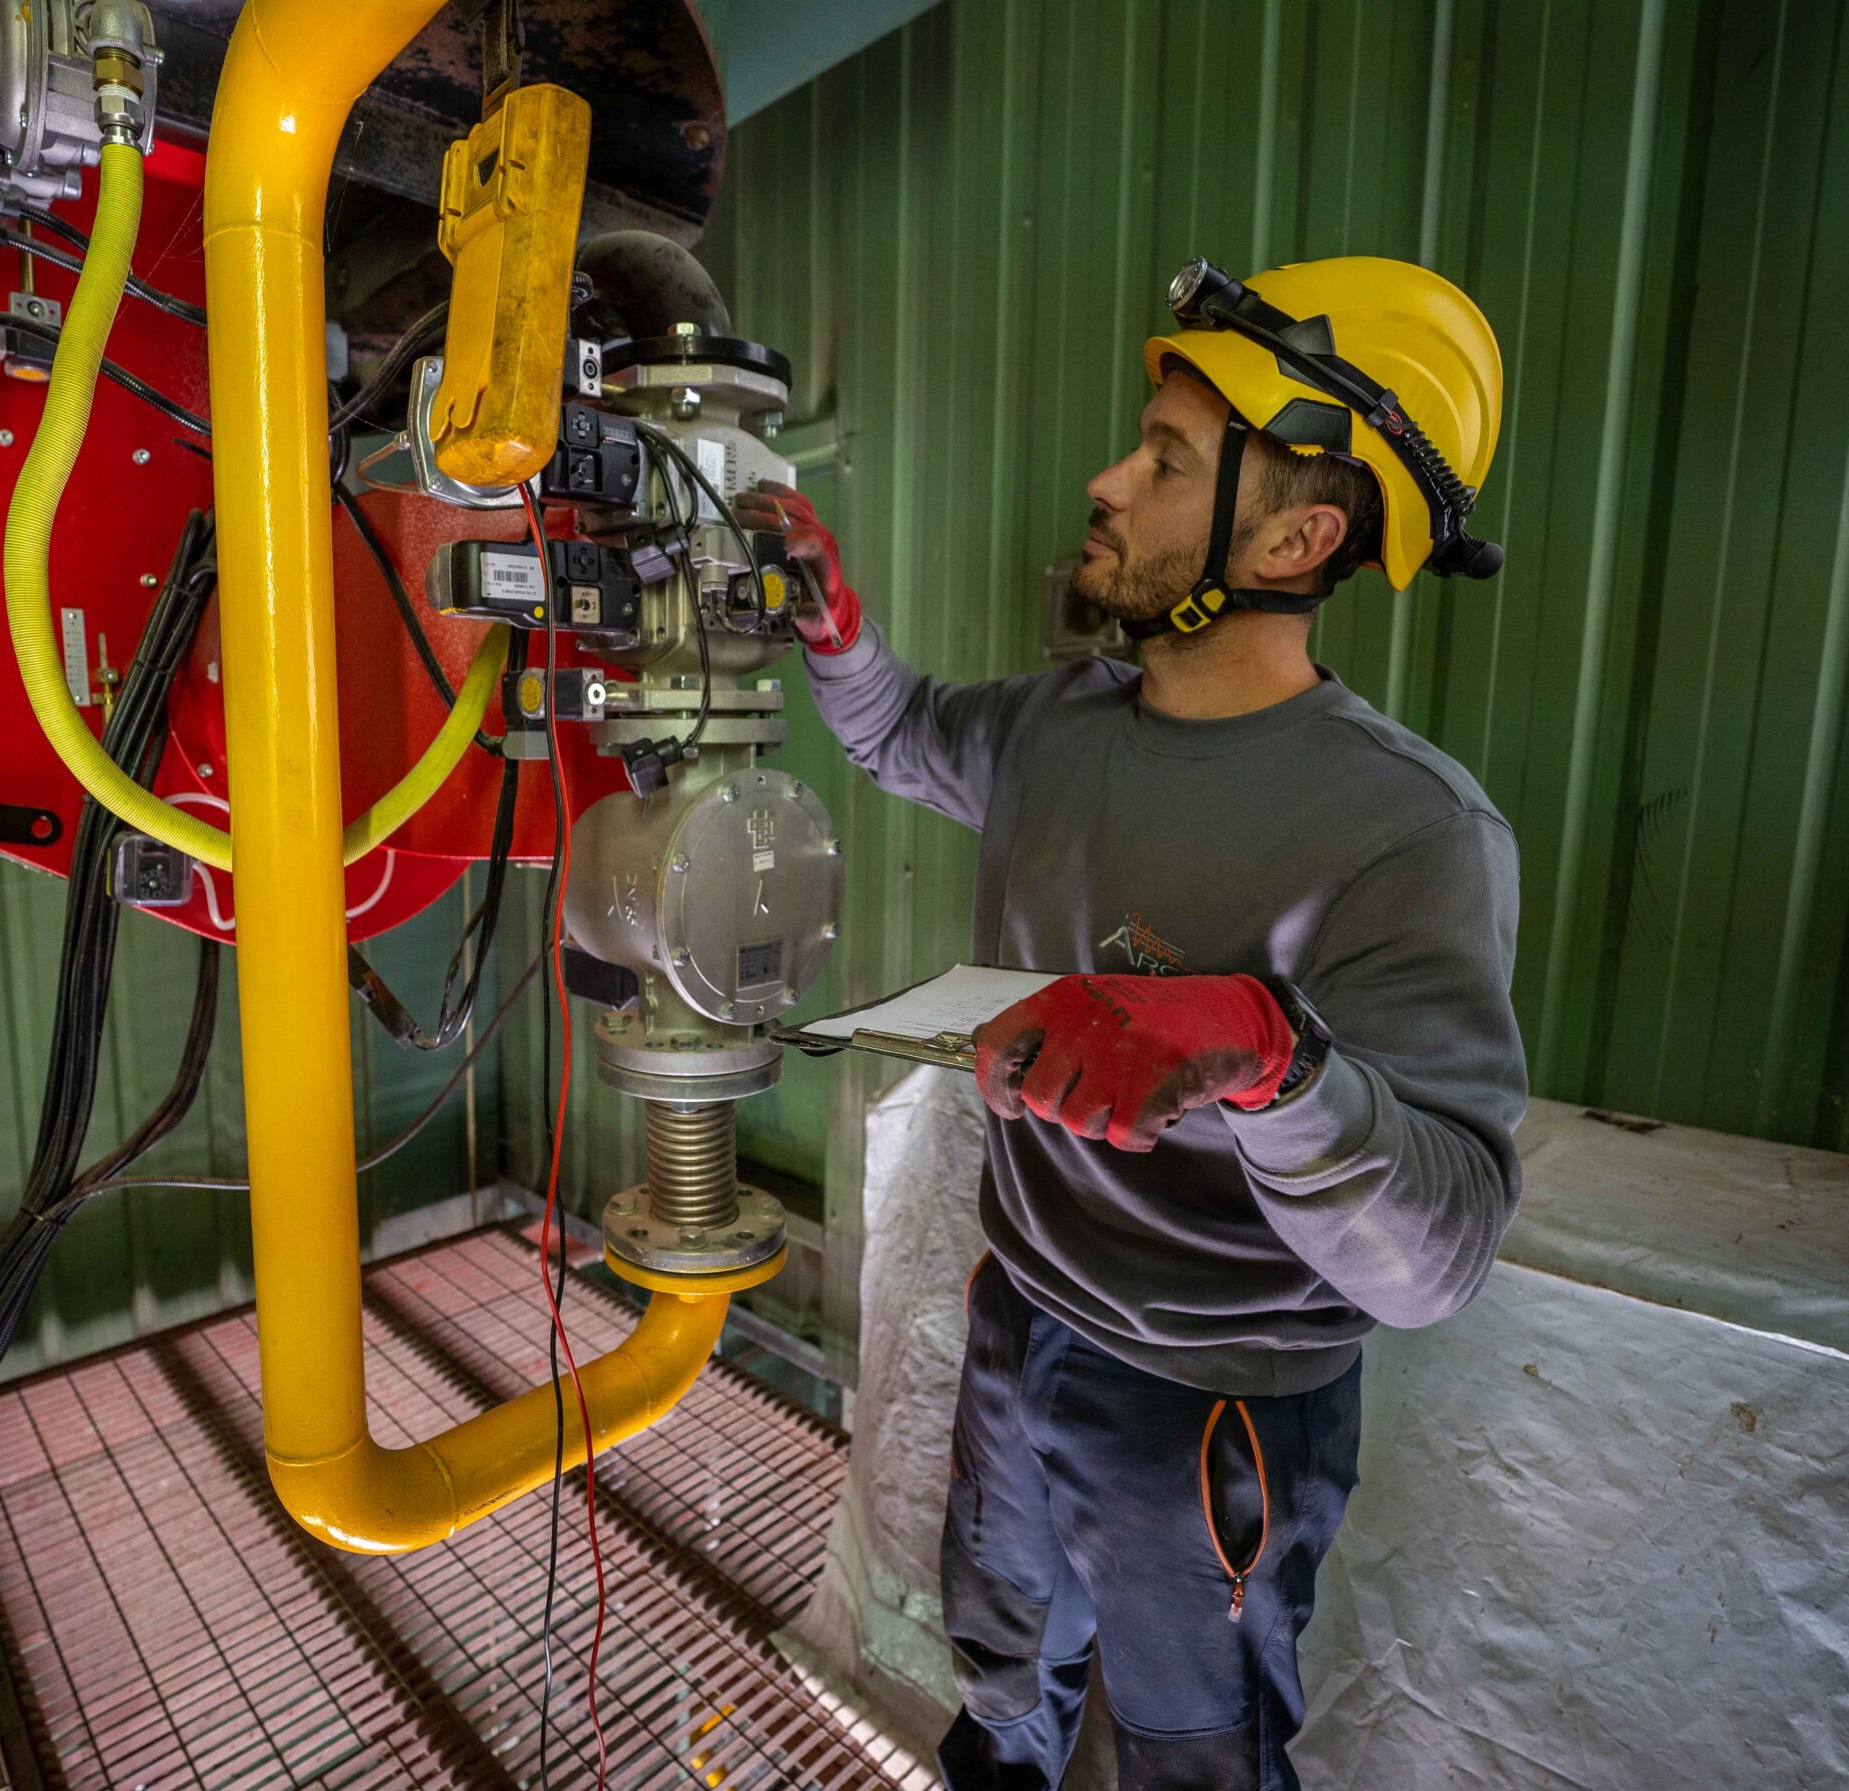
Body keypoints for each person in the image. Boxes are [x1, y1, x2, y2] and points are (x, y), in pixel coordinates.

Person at [736, 255, 1526, 1790]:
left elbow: (1439, 1259)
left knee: (1194, 1756)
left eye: (1163, 459)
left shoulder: (1410, 832)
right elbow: (899, 731)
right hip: (1024, 1320)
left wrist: (1266, 1050)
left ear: (1299, 534)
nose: (1106, 480)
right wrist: (835, 629)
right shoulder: (1059, 727)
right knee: (1006, 1680)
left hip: (1213, 1404)